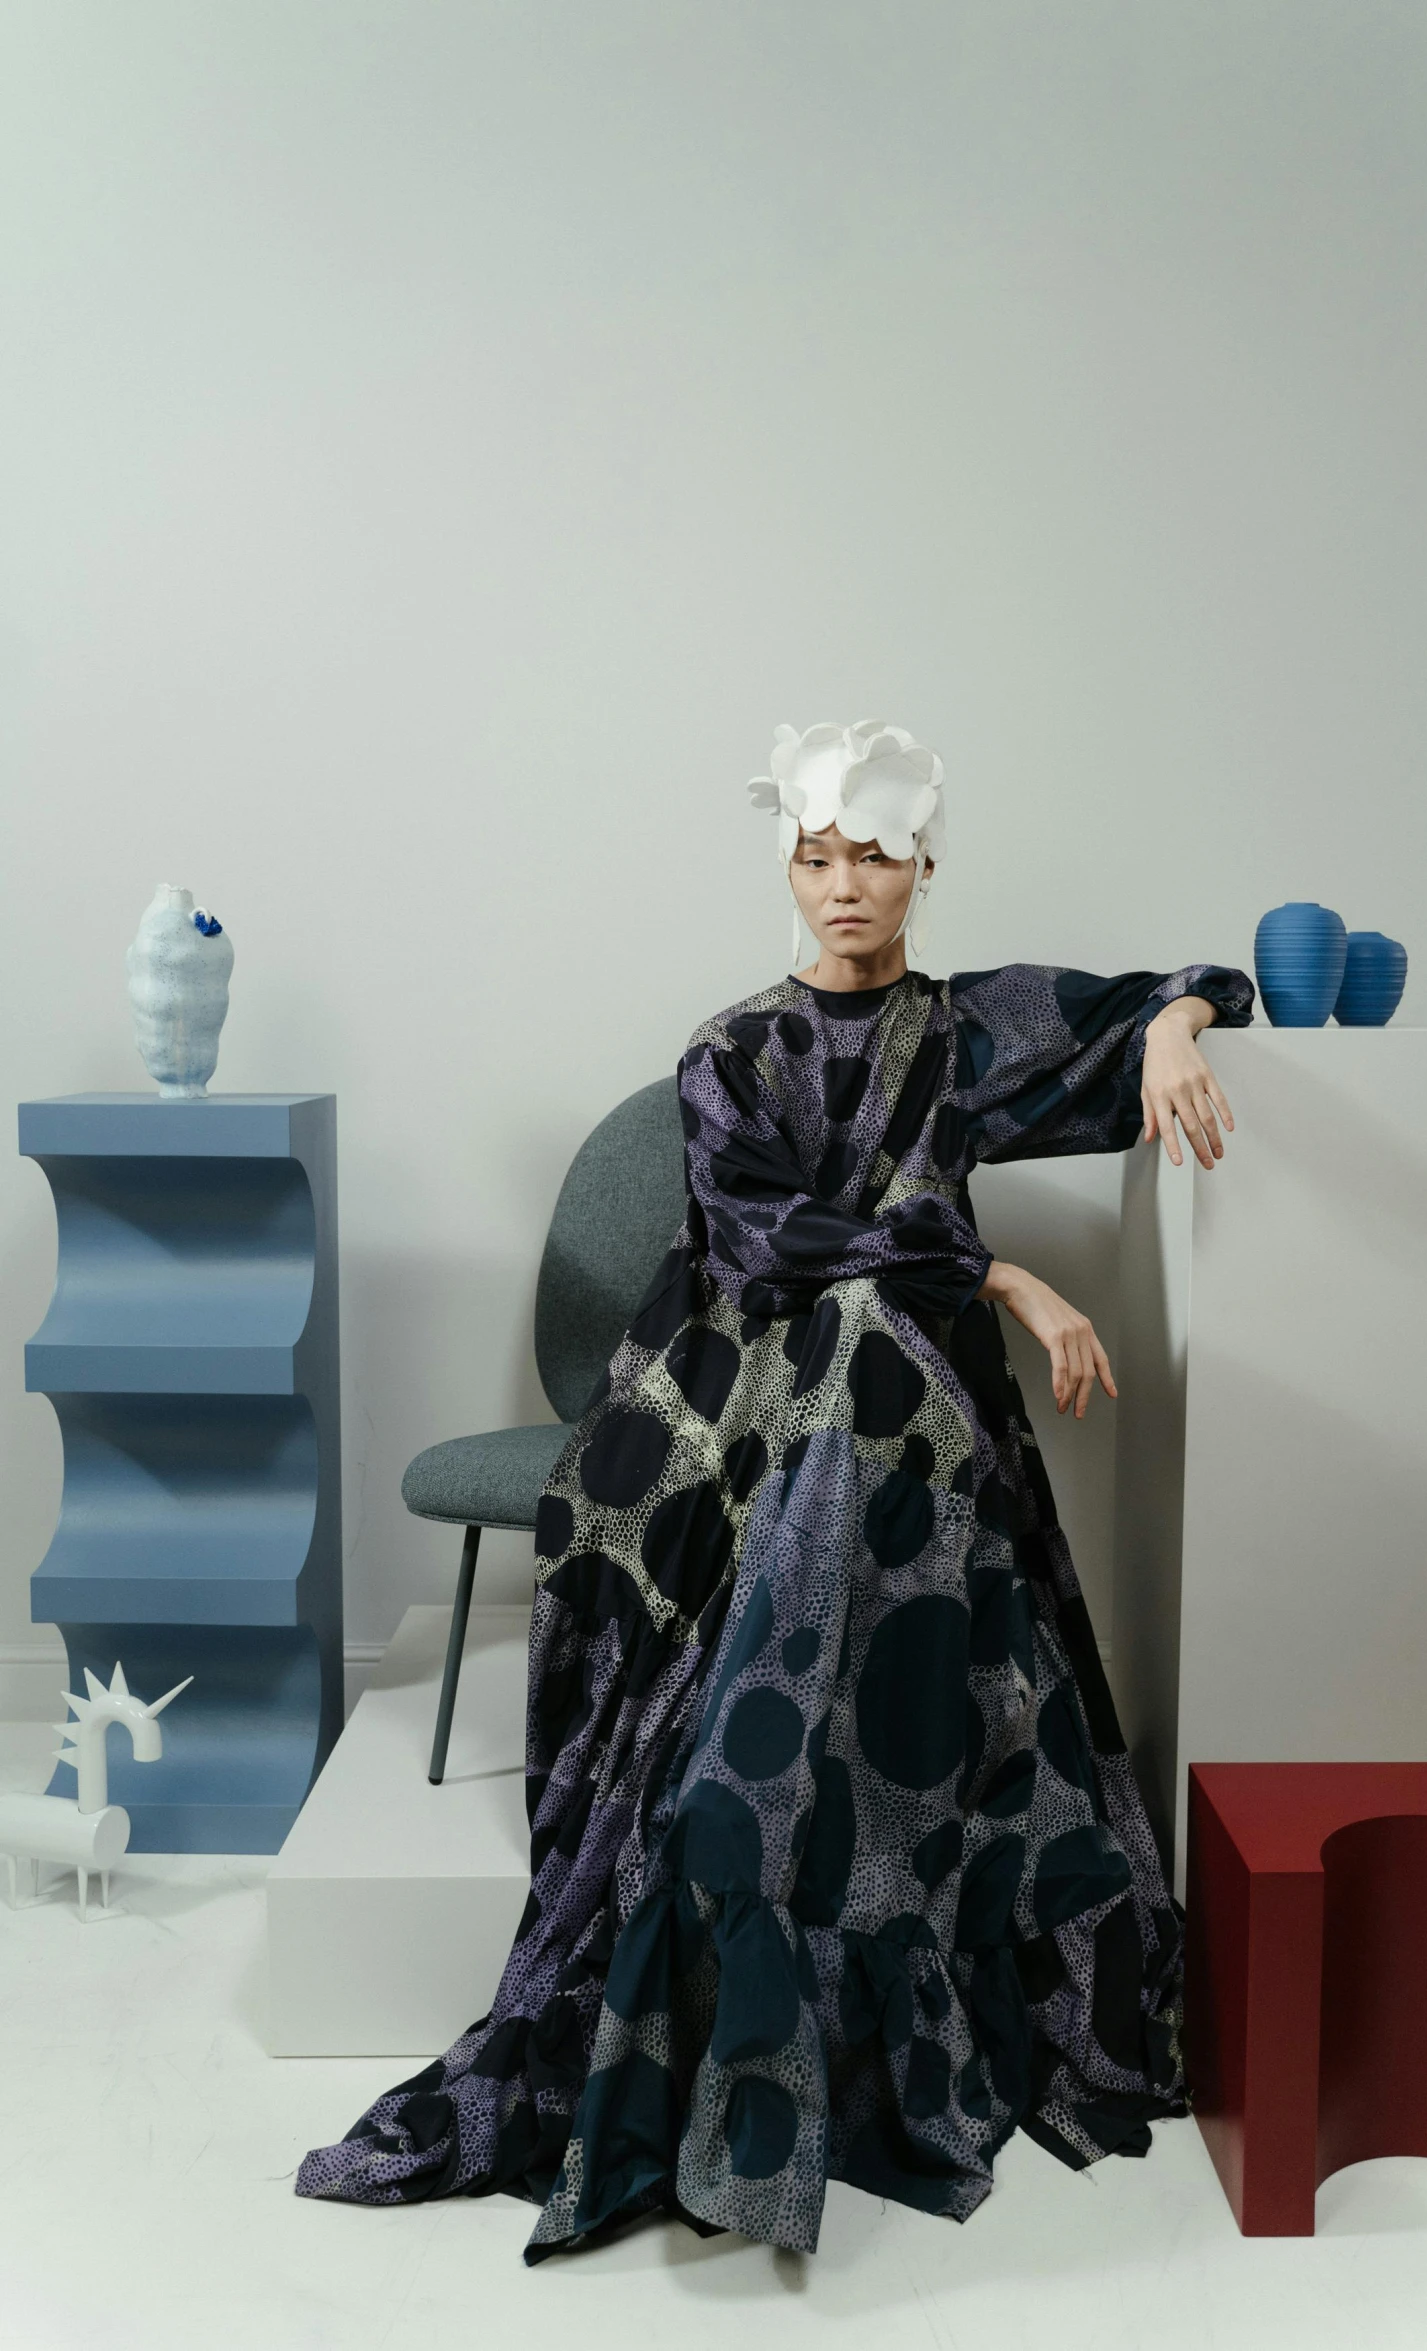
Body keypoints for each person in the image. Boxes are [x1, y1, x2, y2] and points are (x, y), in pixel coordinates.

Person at [296, 719, 1254, 2260]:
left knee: (881, 1359)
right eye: (816, 856)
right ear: (788, 870)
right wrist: (1001, 1271)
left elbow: (1186, 977)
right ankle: (748, 1843)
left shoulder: (967, 1027)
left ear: (922, 864)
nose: (842, 886)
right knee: (864, 1333)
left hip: (903, 1404)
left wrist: (1174, 1024)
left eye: (872, 855)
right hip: (721, 1380)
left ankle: (783, 1796)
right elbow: (767, 1251)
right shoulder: (727, 1049)